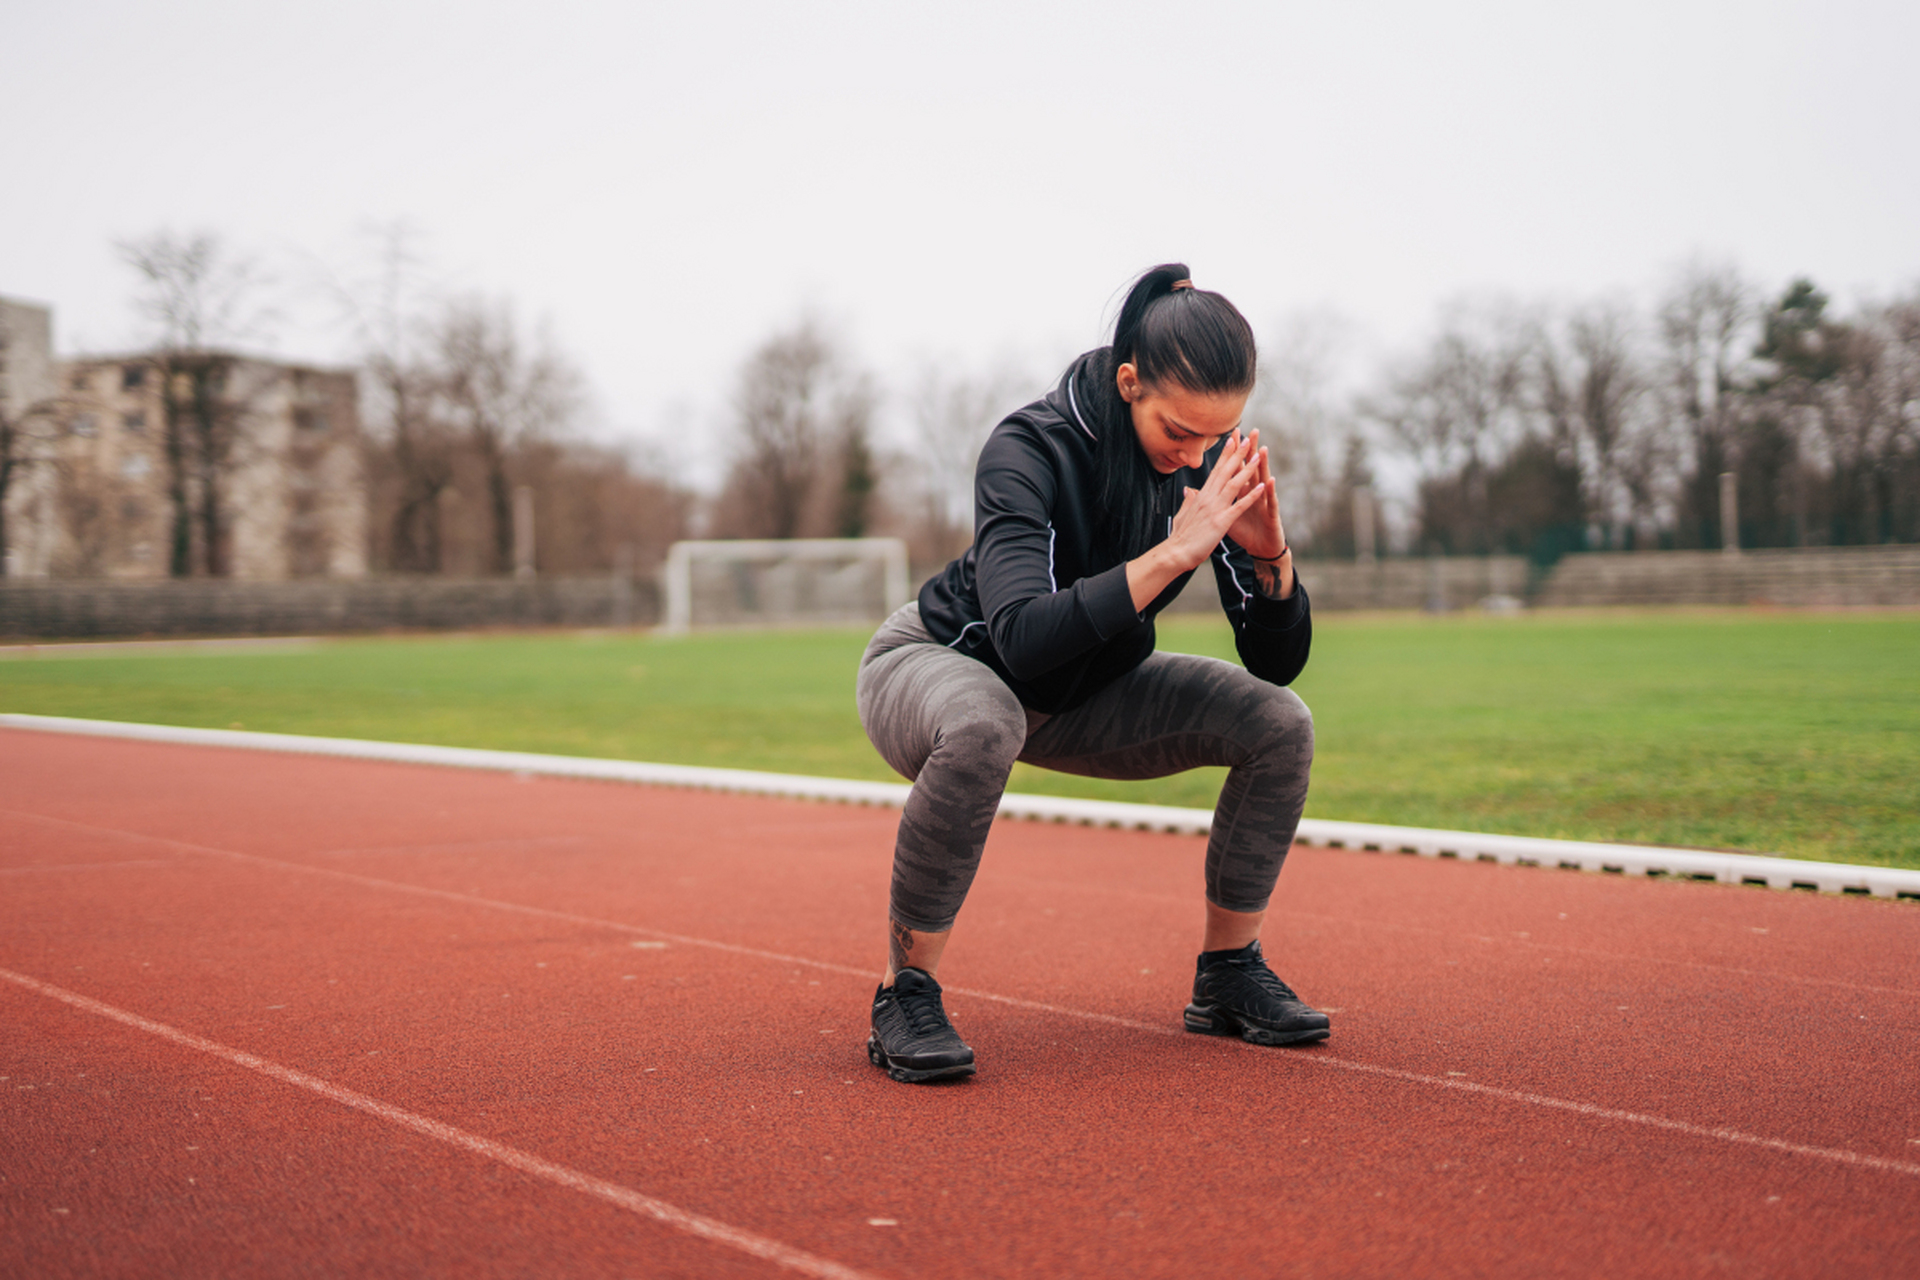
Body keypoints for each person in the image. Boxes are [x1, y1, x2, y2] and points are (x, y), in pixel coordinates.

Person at [856, 263, 1325, 1084]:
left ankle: (1228, 975)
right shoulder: (1027, 448)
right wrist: (1177, 549)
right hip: (940, 664)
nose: (1197, 455)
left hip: (1083, 693)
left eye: (1216, 438)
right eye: (1178, 433)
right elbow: (1025, 640)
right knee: (986, 721)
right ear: (1128, 381)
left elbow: (1274, 661)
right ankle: (906, 990)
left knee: (1280, 723)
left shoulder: (1197, 463)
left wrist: (1269, 559)